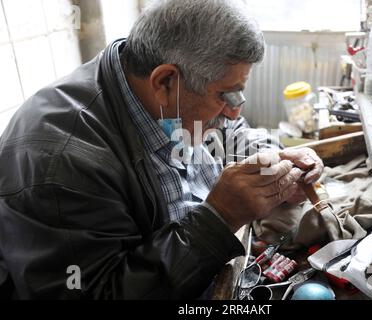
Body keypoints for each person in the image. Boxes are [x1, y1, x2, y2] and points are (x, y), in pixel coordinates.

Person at [0, 0, 323, 299]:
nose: (235, 110)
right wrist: (219, 218)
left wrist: (273, 161)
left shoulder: (161, 91)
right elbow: (101, 293)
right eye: (227, 95)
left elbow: (232, 130)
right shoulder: (61, 165)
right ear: (166, 81)